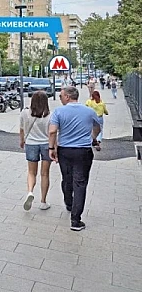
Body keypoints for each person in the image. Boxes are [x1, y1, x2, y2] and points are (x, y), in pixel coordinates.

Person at [48, 86, 101, 231]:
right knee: (80, 183)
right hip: (83, 151)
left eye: (61, 96)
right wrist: (92, 138)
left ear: (67, 97)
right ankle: (76, 220)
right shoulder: (89, 111)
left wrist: (51, 148)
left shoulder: (58, 112)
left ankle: (69, 202)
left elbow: (52, 131)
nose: (60, 99)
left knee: (67, 178)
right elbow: (97, 127)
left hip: (64, 151)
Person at [19, 91, 52, 211]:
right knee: (45, 174)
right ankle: (43, 201)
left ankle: (30, 192)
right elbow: (52, 133)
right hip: (46, 144)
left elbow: (22, 129)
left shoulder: (25, 113)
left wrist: (22, 141)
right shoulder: (50, 115)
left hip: (31, 143)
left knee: (31, 172)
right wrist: (54, 147)